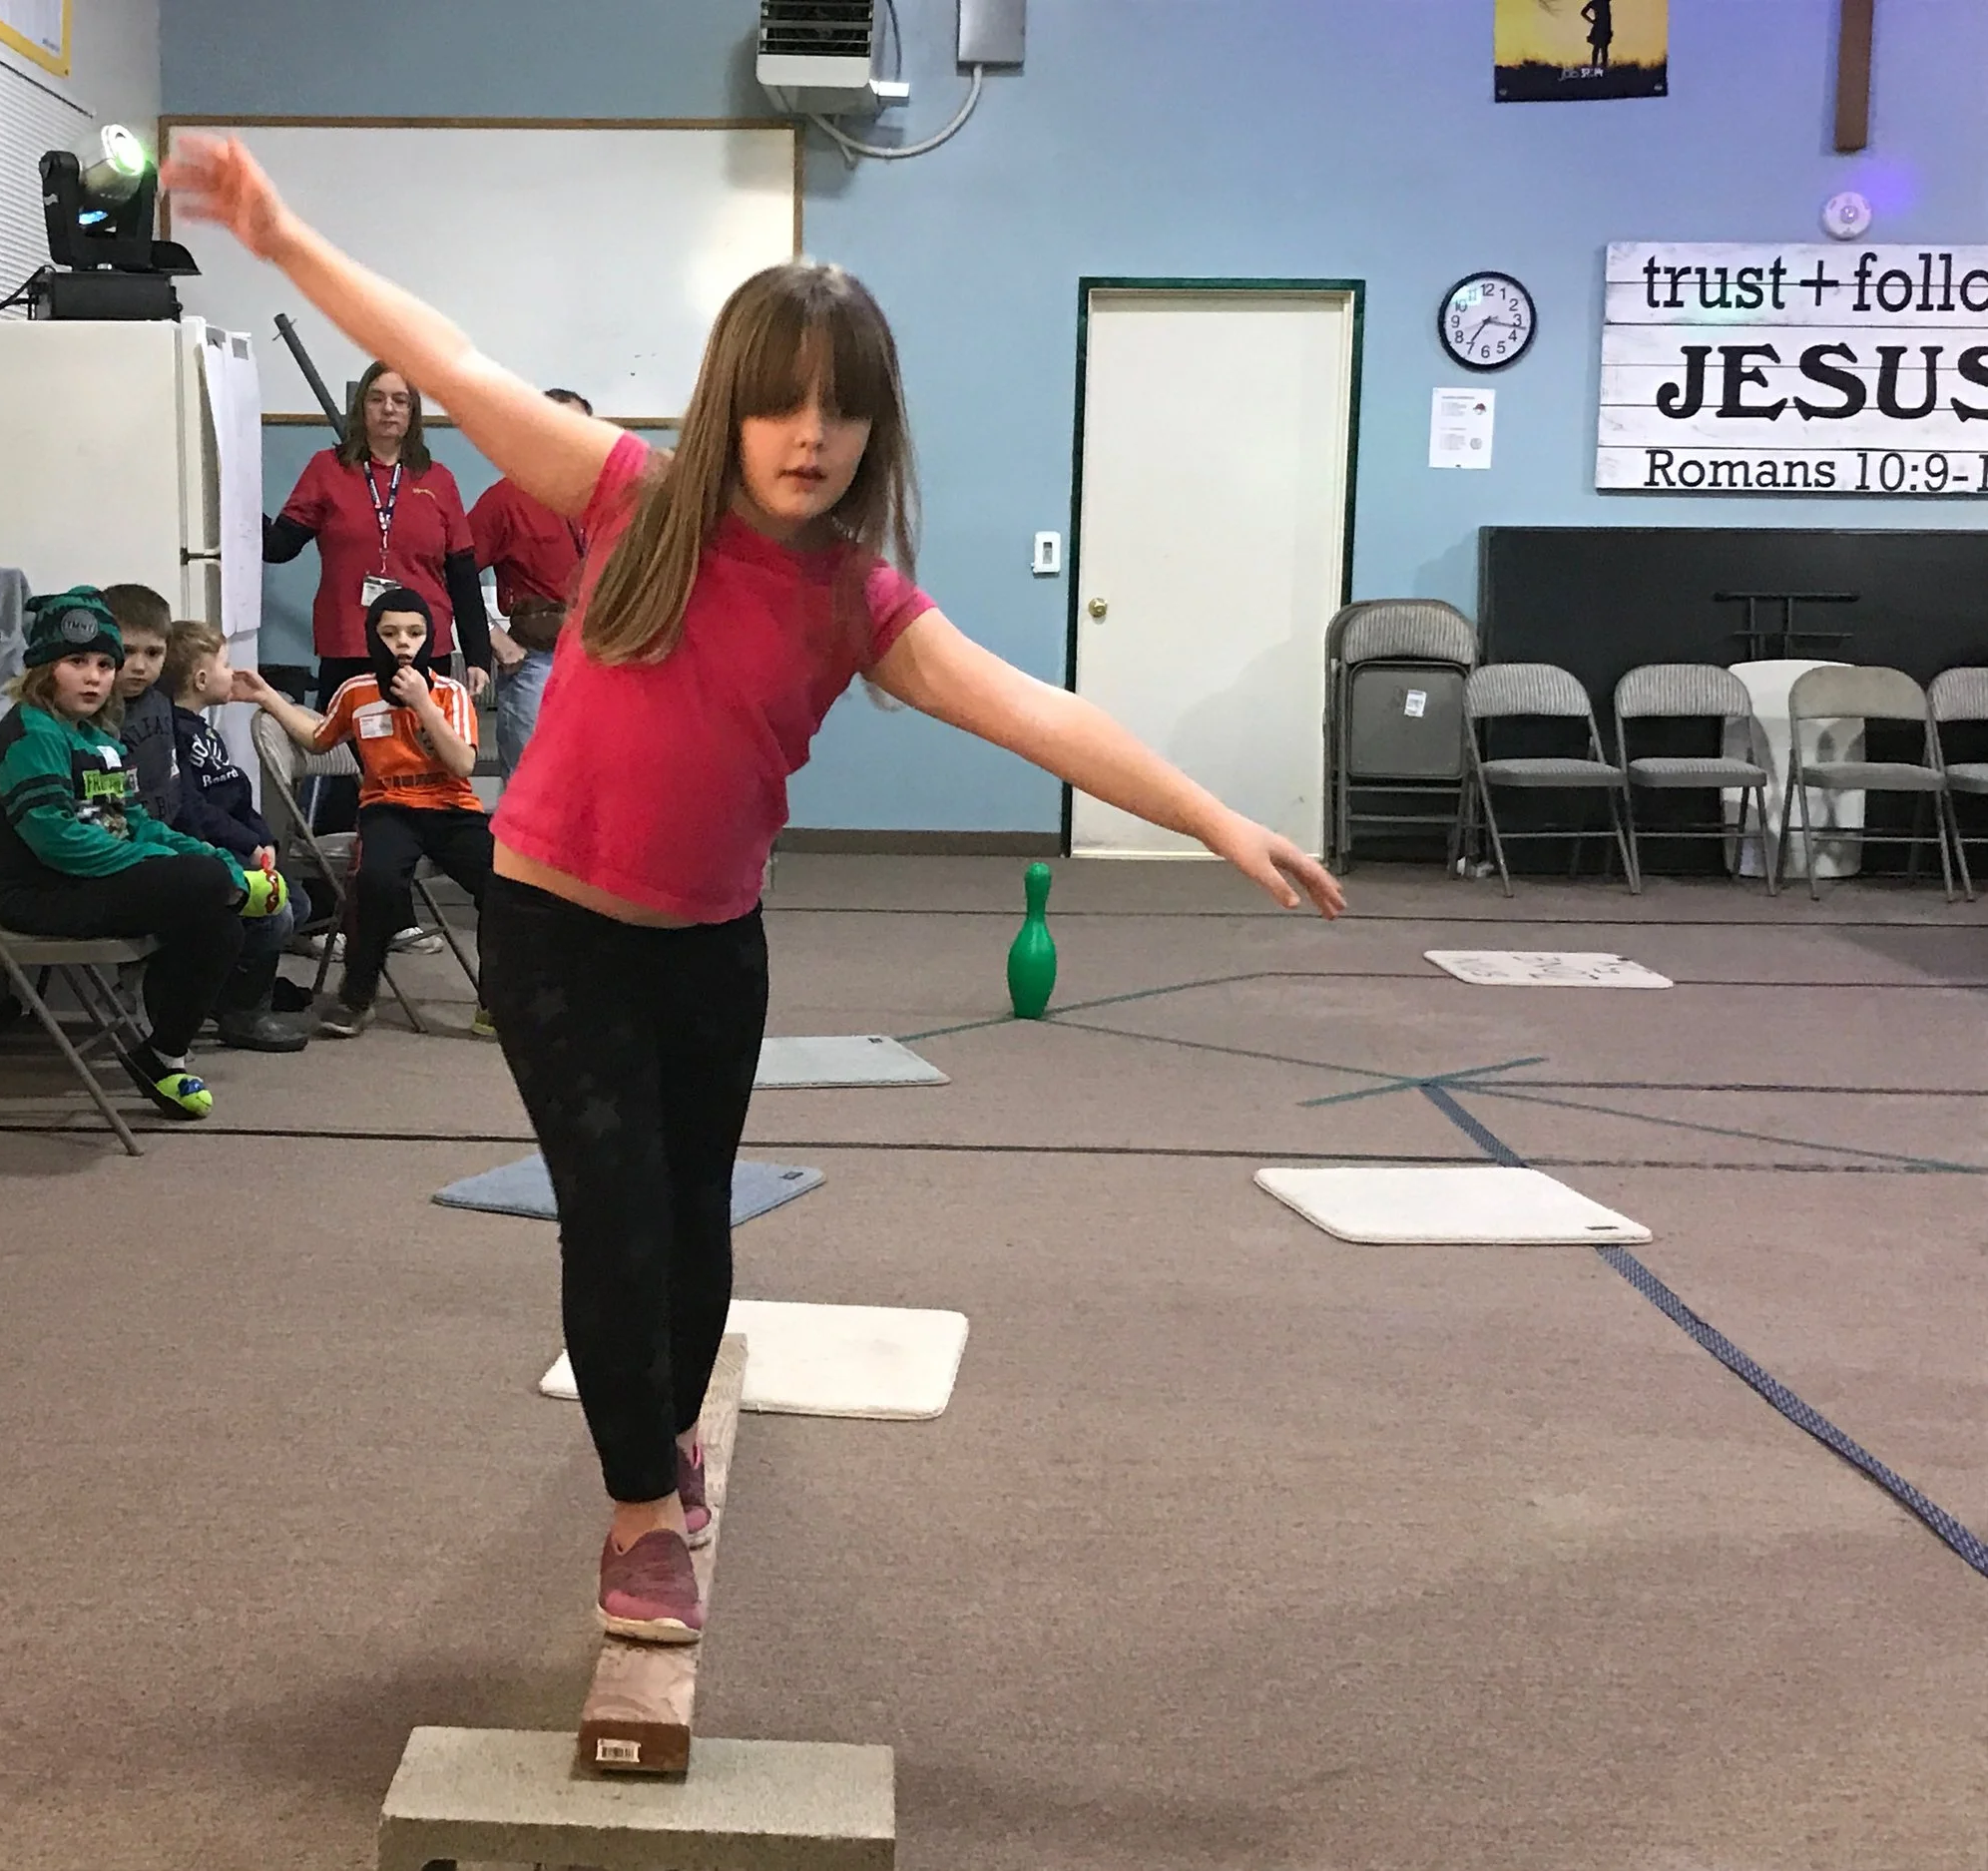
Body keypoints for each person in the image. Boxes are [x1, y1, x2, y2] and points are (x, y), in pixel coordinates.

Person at [168, 133, 1343, 1643]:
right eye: (785, 402)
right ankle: (637, 1511)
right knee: (615, 1218)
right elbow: (446, 359)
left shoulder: (858, 599)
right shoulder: (626, 495)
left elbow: (1033, 708)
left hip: (711, 945)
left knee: (696, 1217)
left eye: (843, 411)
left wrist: (1213, 814)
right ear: (732, 401)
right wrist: (280, 236)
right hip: (553, 931)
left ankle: (667, 1433)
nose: (812, 435)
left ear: (874, 431)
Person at [0, 589, 288, 1120]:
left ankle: (161, 1055)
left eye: (104, 665)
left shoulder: (95, 735)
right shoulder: (31, 734)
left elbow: (132, 822)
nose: (94, 677)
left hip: (90, 878)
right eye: (77, 662)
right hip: (40, 893)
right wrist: (196, 872)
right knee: (207, 886)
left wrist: (210, 857)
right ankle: (232, 893)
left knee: (220, 922)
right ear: (44, 668)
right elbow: (58, 840)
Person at [235, 587, 495, 1040]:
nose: (403, 643)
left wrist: (423, 704)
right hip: (388, 806)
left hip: (450, 806)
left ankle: (496, 998)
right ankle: (357, 996)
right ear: (374, 637)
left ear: (429, 638)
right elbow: (318, 739)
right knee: (375, 880)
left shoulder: (449, 692)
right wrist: (268, 698)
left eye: (414, 633)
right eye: (390, 633)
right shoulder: (356, 691)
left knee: (504, 882)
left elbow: (462, 764)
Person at [266, 361, 492, 834]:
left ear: (413, 413)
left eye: (400, 400)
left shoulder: (438, 479)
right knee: (345, 770)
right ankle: (340, 865)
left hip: (423, 647)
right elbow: (281, 547)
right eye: (377, 398)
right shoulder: (328, 470)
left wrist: (477, 655)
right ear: (361, 408)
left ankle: (416, 852)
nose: (388, 409)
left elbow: (462, 572)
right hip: (349, 642)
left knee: (421, 764)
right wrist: (234, 507)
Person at [159, 620, 317, 1044]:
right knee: (276, 912)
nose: (233, 674)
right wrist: (248, 844)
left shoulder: (204, 729)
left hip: (237, 847)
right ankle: (244, 1011)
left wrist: (263, 839)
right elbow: (191, 809)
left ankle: (229, 988)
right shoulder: (171, 731)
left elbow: (236, 797)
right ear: (201, 679)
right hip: (207, 852)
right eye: (226, 665)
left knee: (298, 902)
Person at [472, 388, 592, 775]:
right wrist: (494, 639)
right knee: (533, 789)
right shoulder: (505, 500)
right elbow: (446, 576)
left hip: (602, 666)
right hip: (538, 665)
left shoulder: (607, 500)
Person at [107, 583, 187, 826]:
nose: (140, 667)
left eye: (153, 653)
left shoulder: (162, 698)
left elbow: (180, 775)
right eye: (127, 651)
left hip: (171, 832)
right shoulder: (93, 712)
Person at [1582, 0, 1613, 73]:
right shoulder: (1598, 2)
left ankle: (1601, 67)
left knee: (1602, 48)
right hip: (1601, 27)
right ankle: (1596, 67)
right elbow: (1583, 13)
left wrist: (1591, 21)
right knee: (1599, 48)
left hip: (1604, 27)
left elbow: (1583, 13)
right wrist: (1591, 21)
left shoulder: (1602, 1)